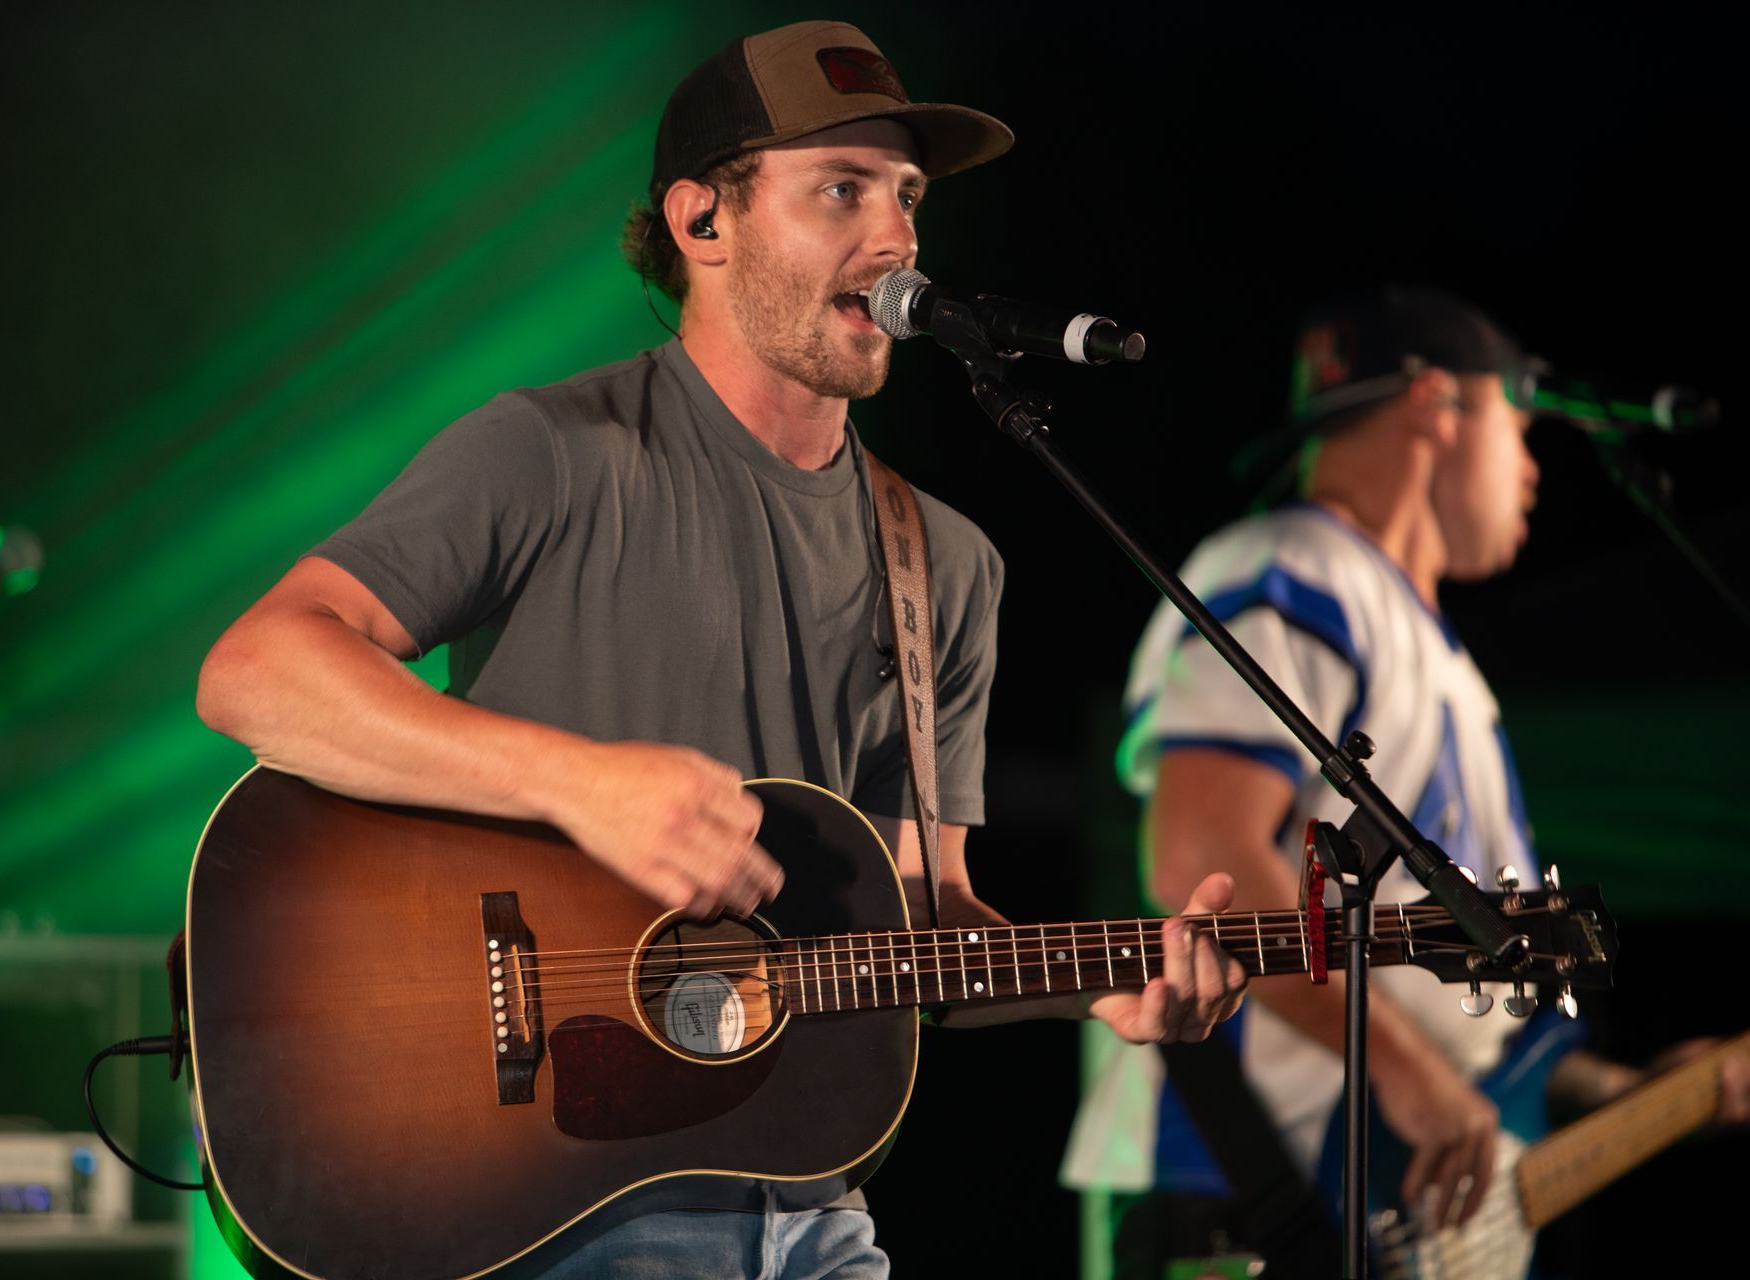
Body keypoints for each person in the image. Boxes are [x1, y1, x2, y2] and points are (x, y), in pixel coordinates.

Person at [195, 20, 1247, 1279]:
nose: (898, 237)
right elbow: (255, 669)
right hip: (549, 1199)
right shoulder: (552, 450)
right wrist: (577, 783)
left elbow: (919, 913)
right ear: (705, 223)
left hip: (806, 1196)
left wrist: (1102, 981)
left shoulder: (946, 564)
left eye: (908, 197)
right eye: (841, 190)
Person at [1069, 287, 1750, 1276]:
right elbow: (1201, 854)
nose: (1531, 468)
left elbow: (1478, 1038)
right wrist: (1409, 1074)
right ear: (1439, 405)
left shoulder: (1436, 660)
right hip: (1256, 1201)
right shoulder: (1290, 568)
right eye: (1522, 427)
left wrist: (1640, 1093)